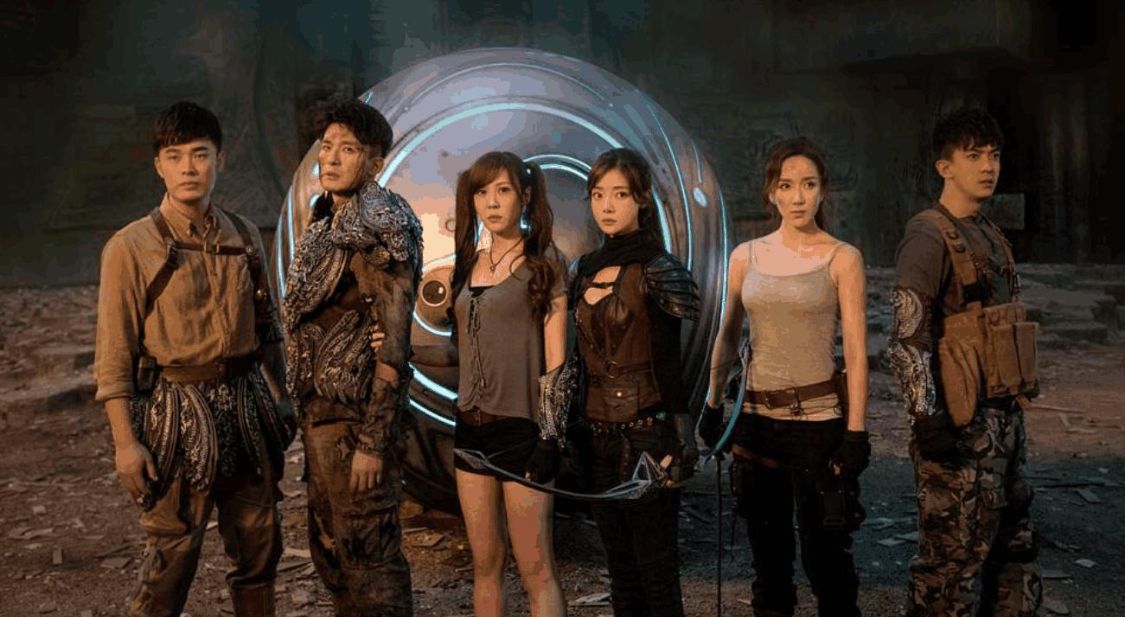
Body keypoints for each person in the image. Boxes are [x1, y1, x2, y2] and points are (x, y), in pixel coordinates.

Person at [94, 101, 294, 616]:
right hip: (175, 415)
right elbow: (114, 358)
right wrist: (125, 445)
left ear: (219, 161)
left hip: (247, 411)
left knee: (260, 550)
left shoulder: (244, 236)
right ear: (158, 166)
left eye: (200, 155)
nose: (189, 168)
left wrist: (282, 401)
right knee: (171, 556)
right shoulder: (130, 248)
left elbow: (268, 329)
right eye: (175, 156)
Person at [699, 137, 870, 617]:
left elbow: (857, 353)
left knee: (827, 564)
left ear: (822, 191)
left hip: (817, 424)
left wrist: (856, 432)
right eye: (787, 185)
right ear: (771, 192)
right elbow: (728, 335)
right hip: (756, 423)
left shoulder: (842, 258)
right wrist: (712, 404)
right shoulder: (745, 256)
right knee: (769, 568)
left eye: (808, 185)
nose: (798, 197)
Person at [888, 107, 1041, 616]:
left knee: (1013, 558)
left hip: (1005, 421)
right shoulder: (928, 235)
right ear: (945, 167)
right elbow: (908, 334)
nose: (988, 166)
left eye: (993, 155)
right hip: (959, 428)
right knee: (951, 568)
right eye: (973, 156)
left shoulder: (990, 234)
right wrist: (927, 419)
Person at [411, 151, 568, 617]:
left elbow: (559, 362)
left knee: (537, 569)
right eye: (482, 192)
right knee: (485, 566)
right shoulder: (468, 265)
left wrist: (550, 436)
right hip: (470, 432)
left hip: (523, 431)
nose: (492, 202)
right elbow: (462, 352)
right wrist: (400, 352)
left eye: (503, 190)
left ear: (525, 196)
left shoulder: (545, 264)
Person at [282, 99, 422, 616]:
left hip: (357, 425)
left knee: (370, 560)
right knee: (333, 556)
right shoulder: (324, 224)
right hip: (320, 420)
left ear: (376, 162)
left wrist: (373, 443)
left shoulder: (380, 224)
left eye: (348, 149)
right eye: (327, 147)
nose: (332, 158)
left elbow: (395, 348)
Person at [569, 147, 701, 616]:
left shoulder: (658, 269)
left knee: (656, 573)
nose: (607, 205)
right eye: (598, 194)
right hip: (595, 434)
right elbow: (577, 363)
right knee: (620, 570)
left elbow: (669, 363)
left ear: (641, 199)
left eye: (620, 194)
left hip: (647, 433)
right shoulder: (583, 269)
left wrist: (680, 439)